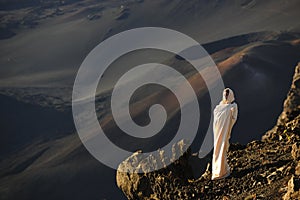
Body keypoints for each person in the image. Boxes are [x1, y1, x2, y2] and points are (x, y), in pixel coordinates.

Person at [211, 88, 238, 180]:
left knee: (218, 149)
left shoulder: (219, 107)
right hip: (222, 131)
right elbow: (234, 118)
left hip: (218, 131)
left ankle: (217, 171)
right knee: (221, 148)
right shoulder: (231, 107)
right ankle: (221, 173)